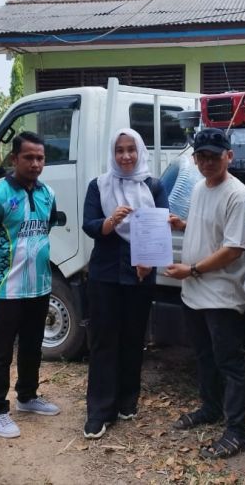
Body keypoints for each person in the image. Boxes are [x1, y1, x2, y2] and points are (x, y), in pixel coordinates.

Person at [164, 128, 245, 459]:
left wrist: (193, 270)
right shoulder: (201, 188)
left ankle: (237, 431)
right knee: (203, 356)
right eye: (201, 156)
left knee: (230, 363)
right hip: (194, 293)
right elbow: (211, 226)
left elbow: (232, 248)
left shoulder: (238, 195)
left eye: (214, 156)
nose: (206, 162)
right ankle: (210, 408)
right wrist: (183, 224)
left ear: (228, 156)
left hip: (220, 294)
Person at [81, 128, 169, 439]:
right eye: (119, 150)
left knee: (133, 338)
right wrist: (110, 222)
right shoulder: (99, 185)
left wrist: (149, 260)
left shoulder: (153, 186)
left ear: (140, 151)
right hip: (104, 274)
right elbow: (89, 224)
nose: (126, 156)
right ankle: (99, 411)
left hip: (140, 274)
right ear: (112, 154)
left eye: (131, 149)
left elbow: (160, 227)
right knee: (104, 341)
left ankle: (127, 400)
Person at [0, 131, 61, 439]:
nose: (36, 163)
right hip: (7, 290)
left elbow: (44, 230)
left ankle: (27, 397)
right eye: (29, 157)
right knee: (0, 350)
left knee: (32, 346)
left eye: (40, 158)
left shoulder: (48, 194)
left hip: (39, 287)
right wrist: (5, 265)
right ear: (14, 159)